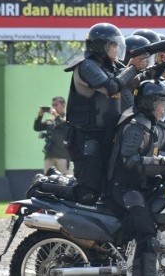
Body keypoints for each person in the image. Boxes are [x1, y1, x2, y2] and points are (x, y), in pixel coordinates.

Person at [106, 80, 165, 276]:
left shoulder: (153, 126)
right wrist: (161, 163)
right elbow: (130, 161)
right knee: (148, 233)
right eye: (160, 105)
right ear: (148, 104)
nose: (163, 110)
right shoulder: (136, 126)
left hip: (142, 186)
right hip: (125, 188)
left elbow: (160, 154)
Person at [64, 22, 148, 204]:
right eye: (113, 45)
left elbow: (132, 83)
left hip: (106, 135)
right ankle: (46, 188)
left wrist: (150, 67)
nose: (117, 49)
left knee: (107, 187)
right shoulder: (86, 66)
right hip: (86, 137)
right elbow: (111, 87)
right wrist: (133, 67)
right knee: (89, 191)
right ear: (101, 46)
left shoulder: (110, 65)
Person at [33, 96, 71, 175]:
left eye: (56, 105)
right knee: (48, 180)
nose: (54, 107)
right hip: (49, 155)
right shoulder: (51, 120)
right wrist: (40, 115)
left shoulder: (67, 118)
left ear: (63, 105)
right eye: (52, 105)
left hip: (62, 155)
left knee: (65, 181)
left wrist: (56, 115)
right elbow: (37, 127)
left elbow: (65, 126)